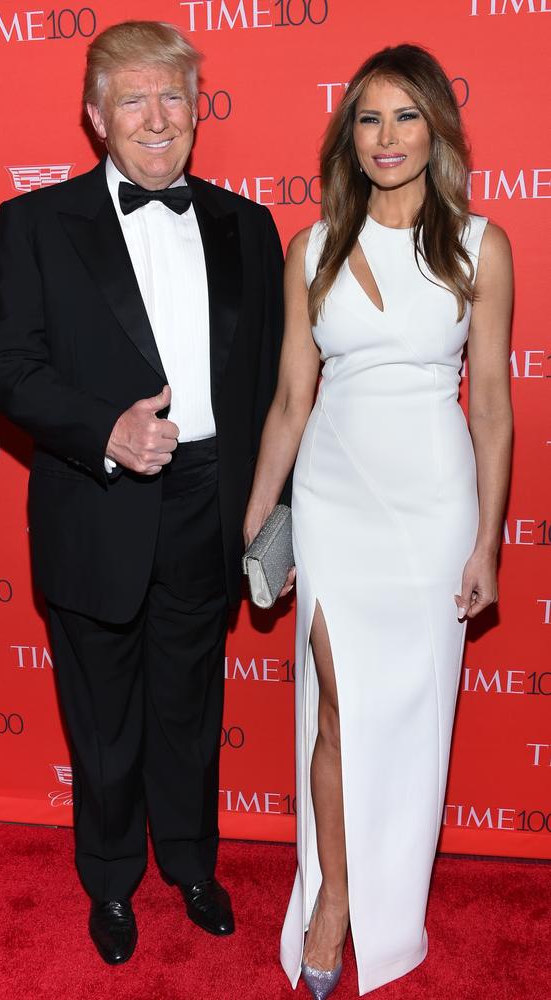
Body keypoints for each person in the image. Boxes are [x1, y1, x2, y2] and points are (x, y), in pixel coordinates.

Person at [0, 20, 284, 966]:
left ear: (198, 111)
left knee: (190, 702)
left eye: (174, 98)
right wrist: (106, 429)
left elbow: (278, 377)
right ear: (96, 115)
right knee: (103, 716)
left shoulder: (249, 225)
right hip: (95, 498)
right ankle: (110, 883)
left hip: (211, 502)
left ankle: (191, 862)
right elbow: (6, 370)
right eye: (135, 99)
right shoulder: (33, 223)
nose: (158, 118)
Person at [244, 43, 512, 998]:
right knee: (337, 704)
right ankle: (332, 905)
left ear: (435, 128)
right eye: (369, 118)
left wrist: (485, 539)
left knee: (405, 718)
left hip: (431, 506)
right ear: (347, 137)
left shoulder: (481, 244)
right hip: (331, 500)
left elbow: (488, 402)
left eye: (406, 117)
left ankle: (379, 901)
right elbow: (287, 400)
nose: (388, 136)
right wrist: (255, 521)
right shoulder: (310, 249)